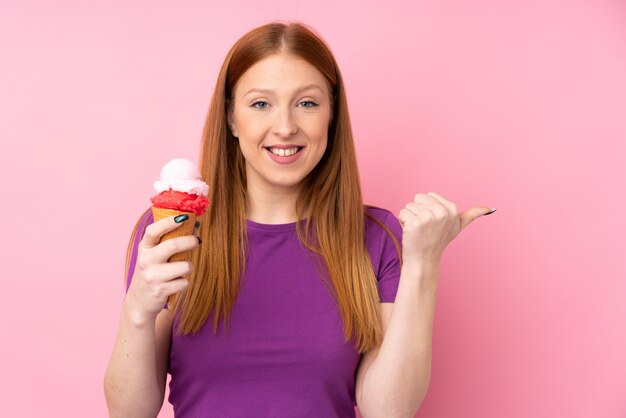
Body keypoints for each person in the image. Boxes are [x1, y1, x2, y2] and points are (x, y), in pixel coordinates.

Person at [104, 21, 495, 418]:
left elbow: (387, 411)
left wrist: (422, 265)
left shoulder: (376, 237)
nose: (286, 127)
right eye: (260, 104)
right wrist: (139, 309)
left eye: (307, 103)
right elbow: (129, 413)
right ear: (231, 118)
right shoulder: (171, 231)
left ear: (331, 115)